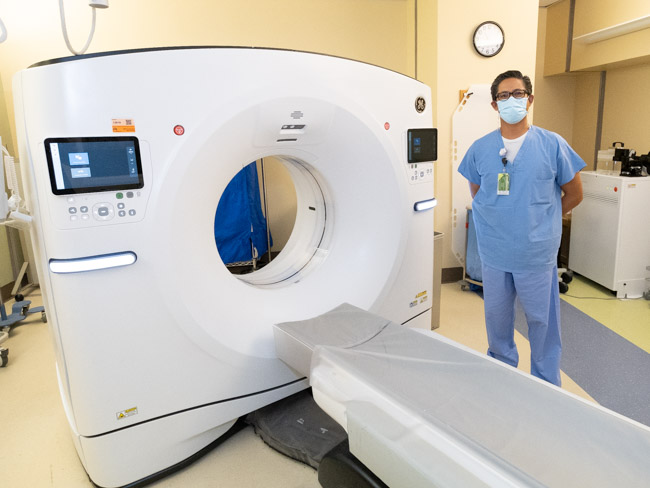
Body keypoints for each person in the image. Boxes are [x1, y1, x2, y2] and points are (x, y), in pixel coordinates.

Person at [457, 70, 586, 386]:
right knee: (497, 321)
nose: (511, 100)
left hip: (535, 252)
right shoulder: (480, 148)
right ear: (494, 104)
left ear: (529, 99)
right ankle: (502, 377)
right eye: (504, 95)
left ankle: (545, 383)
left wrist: (543, 220)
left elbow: (574, 193)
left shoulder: (552, 144)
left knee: (542, 323)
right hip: (495, 251)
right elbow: (478, 192)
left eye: (517, 94)